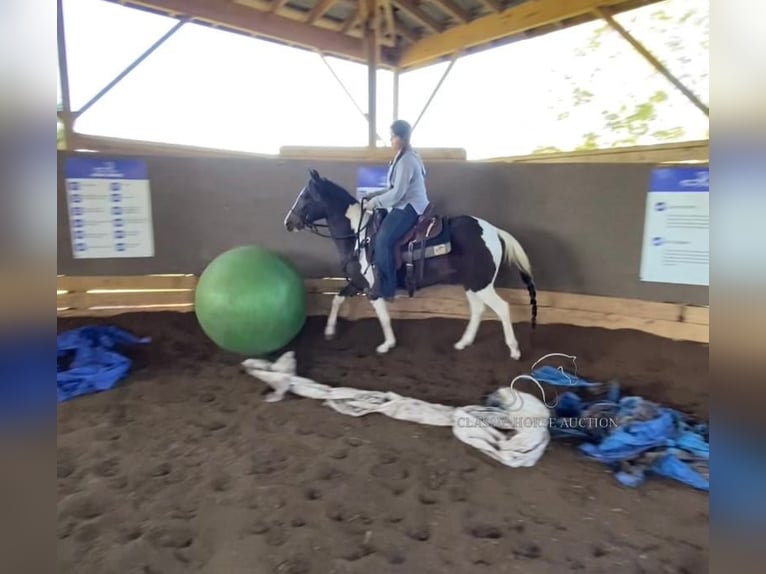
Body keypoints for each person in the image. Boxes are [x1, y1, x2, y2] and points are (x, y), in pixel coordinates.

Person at [364, 119, 430, 301]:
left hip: (409, 207)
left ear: (401, 138)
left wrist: (375, 202)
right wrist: (374, 194)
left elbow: (397, 194)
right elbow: (392, 188)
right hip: (402, 203)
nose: (391, 139)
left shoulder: (407, 160)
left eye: (393, 136)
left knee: (383, 239)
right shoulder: (401, 156)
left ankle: (387, 288)